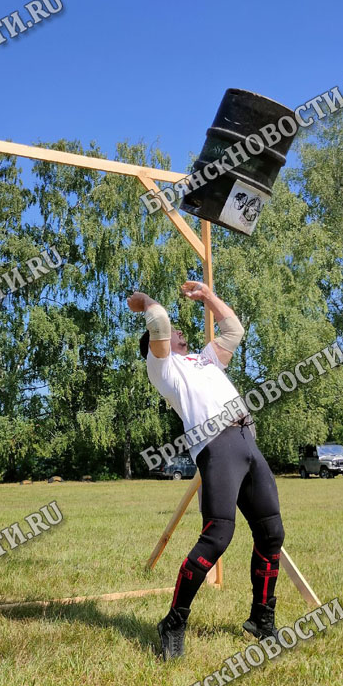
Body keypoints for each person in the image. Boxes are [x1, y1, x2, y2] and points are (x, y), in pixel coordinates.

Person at [127, 281, 284, 660]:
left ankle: (261, 619)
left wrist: (208, 296)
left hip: (247, 441)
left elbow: (233, 329)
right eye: (171, 333)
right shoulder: (164, 370)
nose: (179, 330)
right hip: (217, 447)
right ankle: (174, 621)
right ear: (154, 346)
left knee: (271, 533)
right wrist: (145, 302)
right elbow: (160, 321)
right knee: (217, 537)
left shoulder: (204, 360)